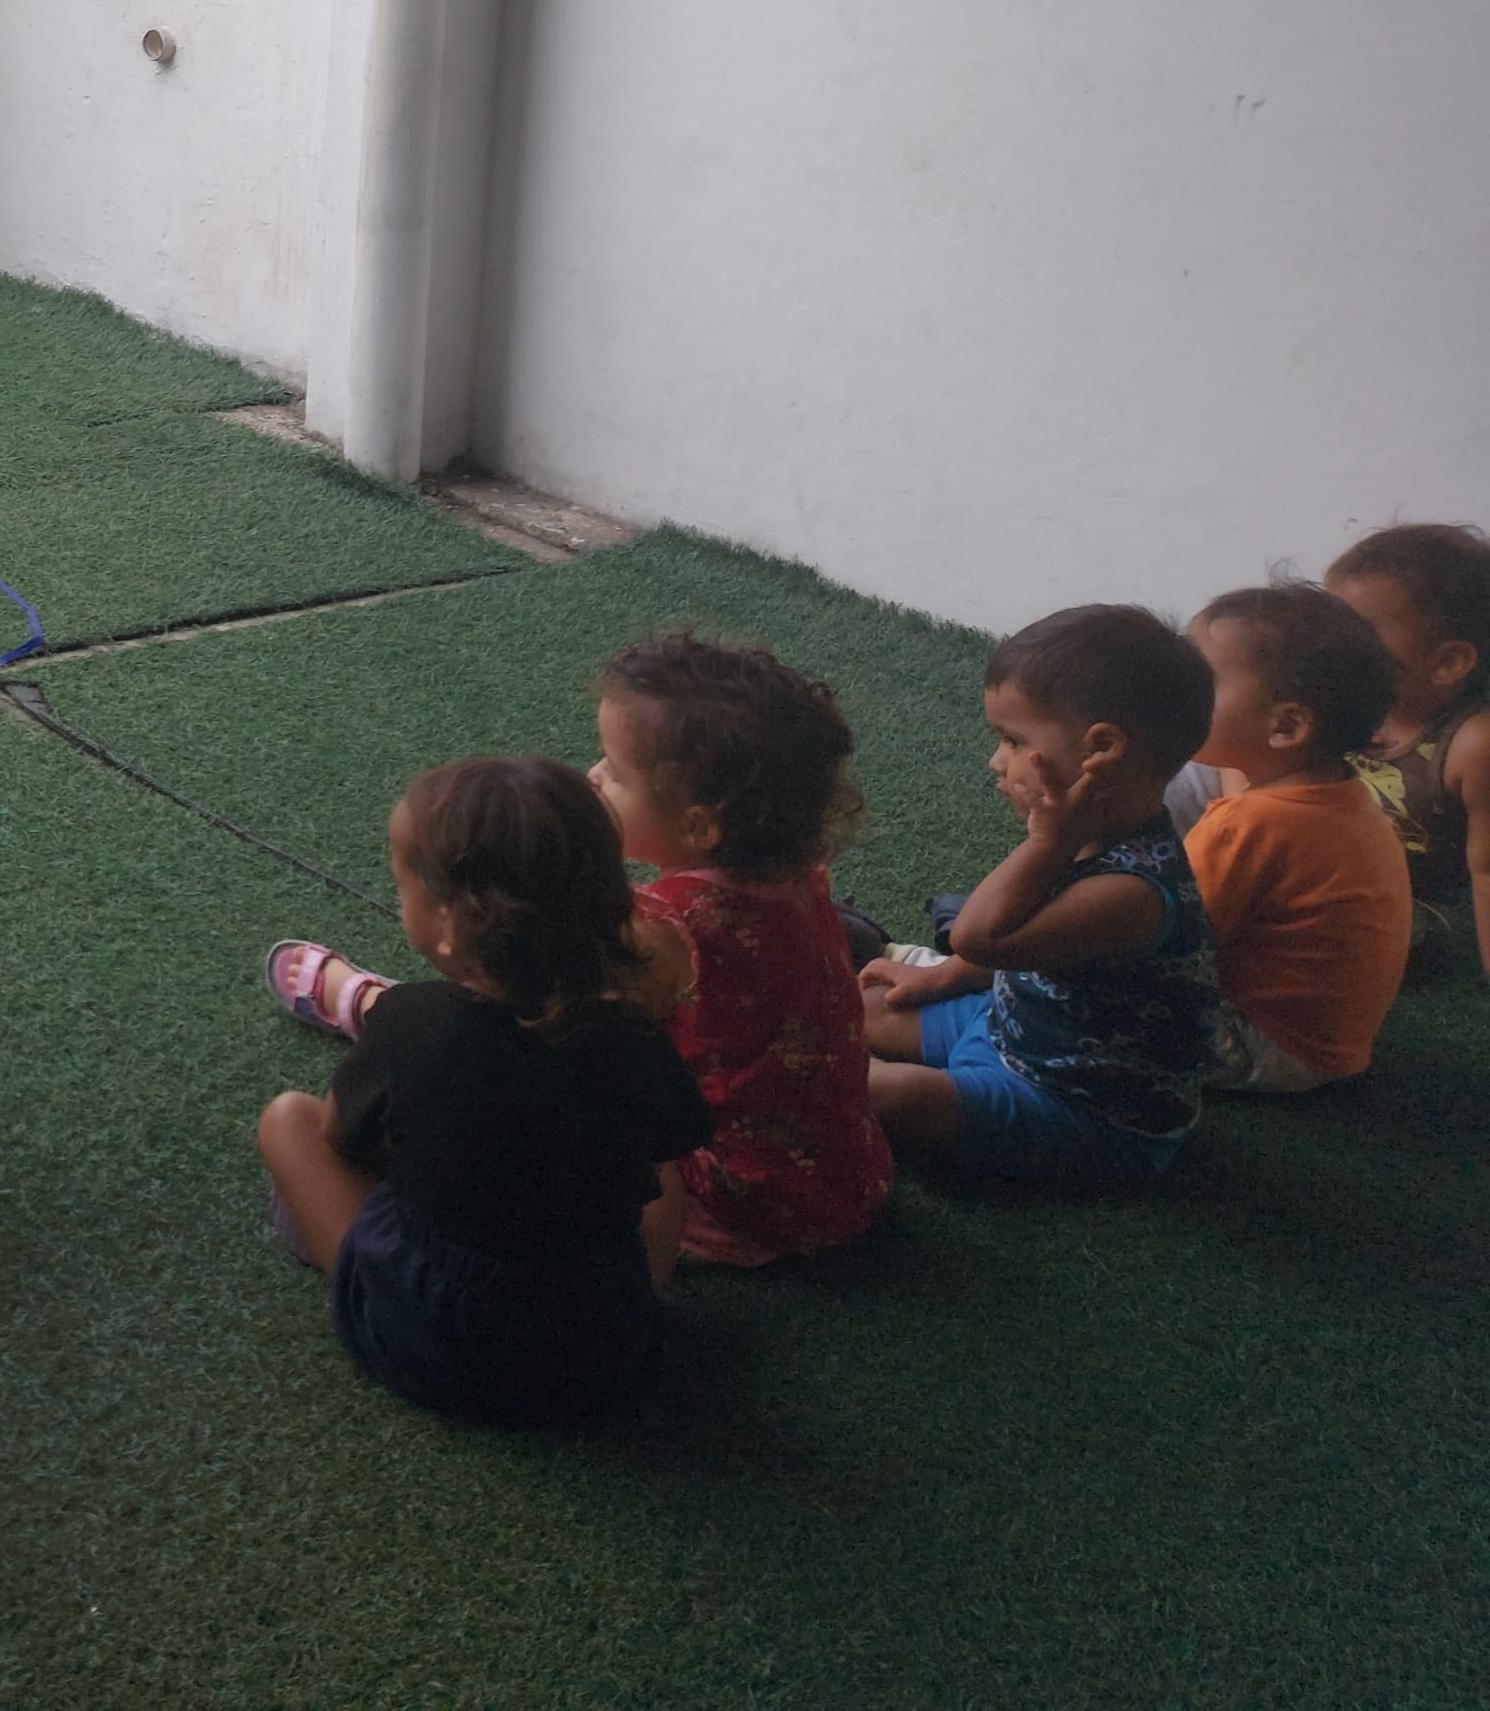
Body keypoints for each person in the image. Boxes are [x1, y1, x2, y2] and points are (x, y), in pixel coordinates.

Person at [265, 637, 887, 1268]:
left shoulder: (662, 932)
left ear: (698, 826)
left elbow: (526, 1038)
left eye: (614, 770)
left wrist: (412, 1011)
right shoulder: (799, 874)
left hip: (740, 1209)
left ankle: (370, 1004)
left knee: (468, 1081)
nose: (593, 775)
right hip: (844, 1181)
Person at [253, 759, 712, 1424]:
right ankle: (650, 1296)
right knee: (663, 1175)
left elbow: (339, 1138)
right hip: (603, 1350)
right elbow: (678, 1136)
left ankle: (348, 1272)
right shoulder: (633, 1036)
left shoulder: (410, 1024)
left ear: (447, 925)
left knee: (287, 1120)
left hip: (437, 1345)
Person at [859, 605, 1218, 1187]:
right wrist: (939, 979)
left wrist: (1048, 843)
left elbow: (981, 937)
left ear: (1101, 748)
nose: (995, 760)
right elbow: (1002, 947)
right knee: (858, 1008)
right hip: (1011, 1025)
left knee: (888, 1095)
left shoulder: (1130, 892)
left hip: (1081, 1110)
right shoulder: (1090, 836)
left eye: (1011, 740)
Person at [1177, 584, 1407, 1089]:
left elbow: (1162, 937)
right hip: (1325, 1047)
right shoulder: (1342, 794)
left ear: (1285, 727)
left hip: (1263, 1044)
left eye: (1198, 681)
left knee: (1077, 991)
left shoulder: (1249, 823)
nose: (1173, 689)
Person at [1327, 521, 1490, 982]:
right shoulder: (1338, 701)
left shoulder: (1472, 744)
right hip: (1322, 862)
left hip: (1405, 902)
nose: (1327, 648)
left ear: (1447, 662)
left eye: (1356, 634)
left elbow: (1486, 870)